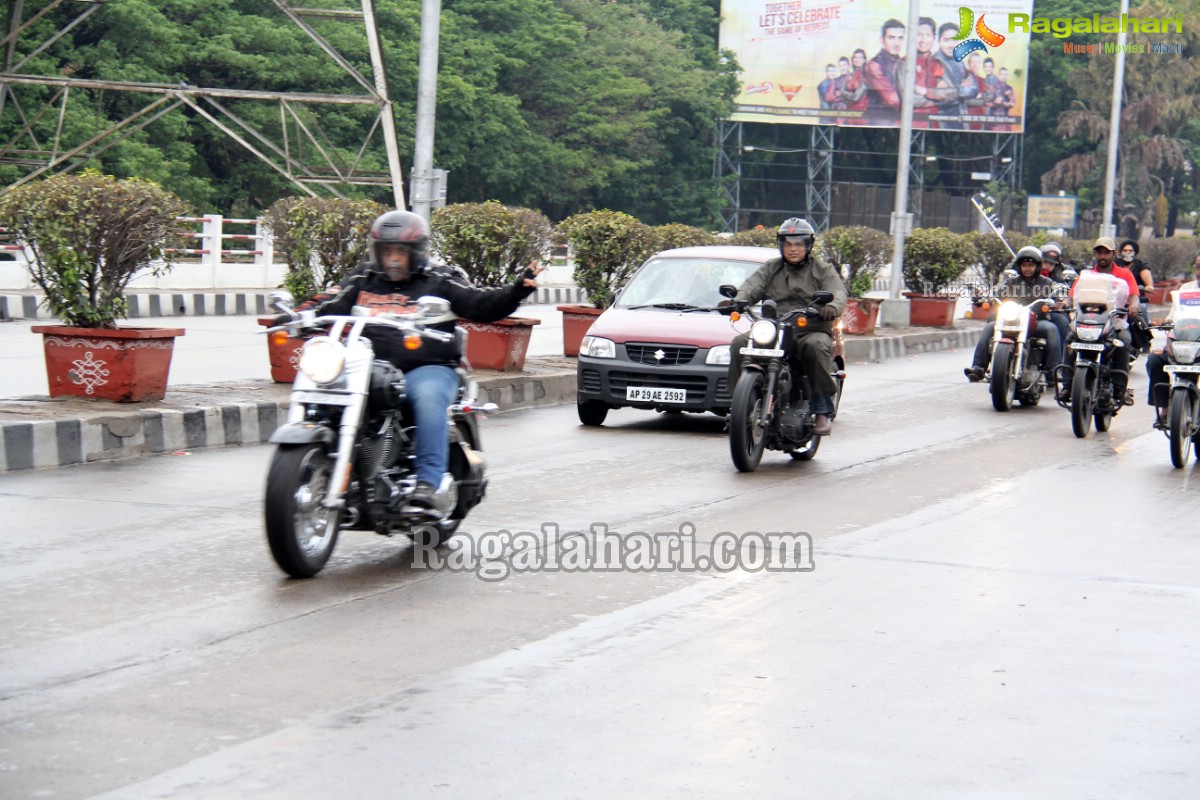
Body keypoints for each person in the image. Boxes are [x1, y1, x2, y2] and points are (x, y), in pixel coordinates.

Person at [280, 209, 543, 515]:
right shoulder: (364, 279)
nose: (392, 259)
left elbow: (481, 303)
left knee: (428, 397)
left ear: (415, 252)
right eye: (387, 251)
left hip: (427, 366)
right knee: (326, 388)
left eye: (400, 252)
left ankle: (427, 484)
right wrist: (297, 317)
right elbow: (330, 302)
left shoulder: (440, 280)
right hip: (366, 366)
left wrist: (516, 291)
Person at [727, 218, 846, 435]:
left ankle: (821, 408)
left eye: (799, 244)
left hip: (809, 327)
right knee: (739, 343)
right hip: (775, 327)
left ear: (808, 245)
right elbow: (751, 287)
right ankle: (739, 404)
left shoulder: (822, 269)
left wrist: (831, 306)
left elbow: (838, 292)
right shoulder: (771, 268)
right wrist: (738, 300)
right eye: (788, 244)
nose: (793, 249)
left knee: (817, 347)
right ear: (781, 245)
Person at [1058, 236, 1140, 407]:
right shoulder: (1086, 276)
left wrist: (1133, 306)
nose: (1102, 256)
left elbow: (1134, 296)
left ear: (1114, 254)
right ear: (1094, 254)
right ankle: (1067, 386)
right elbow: (1072, 296)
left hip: (1114, 323)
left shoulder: (1124, 274)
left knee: (1124, 341)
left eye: (1106, 253)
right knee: (1069, 340)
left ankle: (1119, 388)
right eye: (1099, 253)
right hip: (1086, 322)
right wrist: (1064, 304)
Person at [963, 246, 1062, 382]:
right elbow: (997, 295)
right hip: (1012, 320)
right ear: (1019, 266)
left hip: (1037, 321)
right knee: (989, 327)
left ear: (1037, 266)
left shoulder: (1047, 283)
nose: (1027, 268)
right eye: (1024, 265)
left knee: (1052, 329)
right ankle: (979, 368)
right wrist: (986, 300)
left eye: (1031, 265)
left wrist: (1056, 300)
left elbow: (1057, 295)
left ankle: (1054, 371)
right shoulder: (1011, 282)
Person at [1145, 254, 1200, 426]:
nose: (1199, 270)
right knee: (1155, 359)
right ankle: (1164, 410)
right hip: (1182, 344)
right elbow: (1173, 316)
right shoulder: (1186, 290)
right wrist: (1165, 321)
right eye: (1197, 266)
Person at [933, 22, 978, 130]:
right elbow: (941, 96)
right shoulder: (934, 62)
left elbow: (974, 88)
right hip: (941, 119)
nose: (951, 45)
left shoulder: (960, 63)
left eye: (955, 40)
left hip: (961, 115)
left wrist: (955, 90)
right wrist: (962, 88)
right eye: (947, 40)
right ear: (938, 41)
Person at [865, 19, 906, 124]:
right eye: (891, 38)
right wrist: (925, 96)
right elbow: (893, 100)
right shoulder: (874, 65)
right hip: (882, 123)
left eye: (900, 38)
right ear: (882, 40)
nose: (896, 43)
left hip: (900, 122)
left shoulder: (902, 62)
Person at [1118, 239, 1155, 345]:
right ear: (1120, 252)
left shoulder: (1140, 265)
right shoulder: (1115, 264)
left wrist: (1148, 286)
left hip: (1136, 298)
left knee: (1142, 308)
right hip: (1117, 298)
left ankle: (1145, 337)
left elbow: (1148, 280)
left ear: (1135, 252)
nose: (1127, 252)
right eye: (1125, 250)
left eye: (1130, 250)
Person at [1039, 242, 1074, 347]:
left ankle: (1061, 358)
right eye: (1045, 262)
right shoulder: (1028, 273)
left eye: (1052, 264)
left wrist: (1059, 302)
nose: (1047, 266)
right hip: (1025, 312)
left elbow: (1063, 297)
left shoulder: (1059, 280)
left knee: (1062, 320)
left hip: (1048, 313)